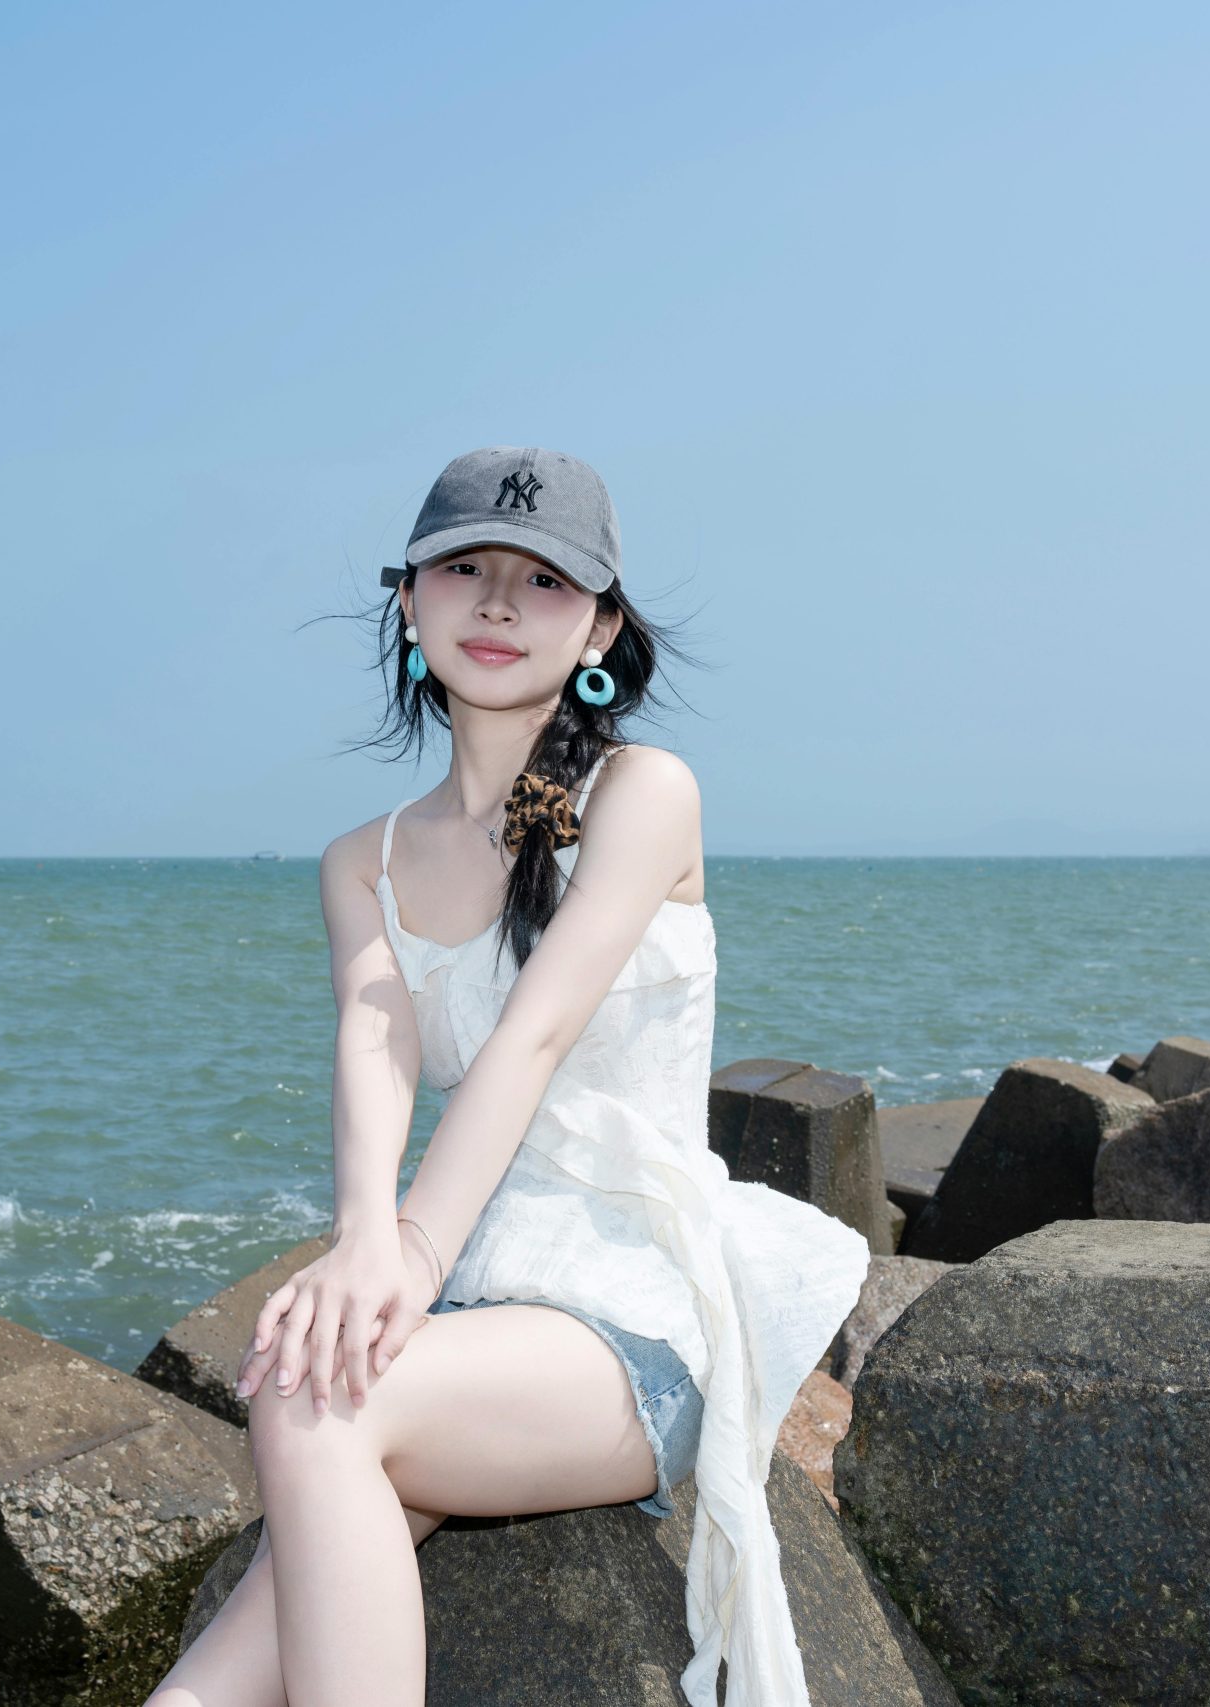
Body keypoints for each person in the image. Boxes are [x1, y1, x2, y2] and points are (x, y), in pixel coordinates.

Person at [148, 446, 872, 1707]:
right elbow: (374, 1043)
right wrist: (363, 1238)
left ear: (599, 626)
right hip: (477, 1318)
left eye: (543, 580)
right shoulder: (361, 861)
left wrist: (407, 1254)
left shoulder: (642, 792)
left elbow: (532, 1039)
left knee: (313, 1403)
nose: (496, 602)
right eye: (464, 569)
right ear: (408, 599)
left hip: (631, 1319)